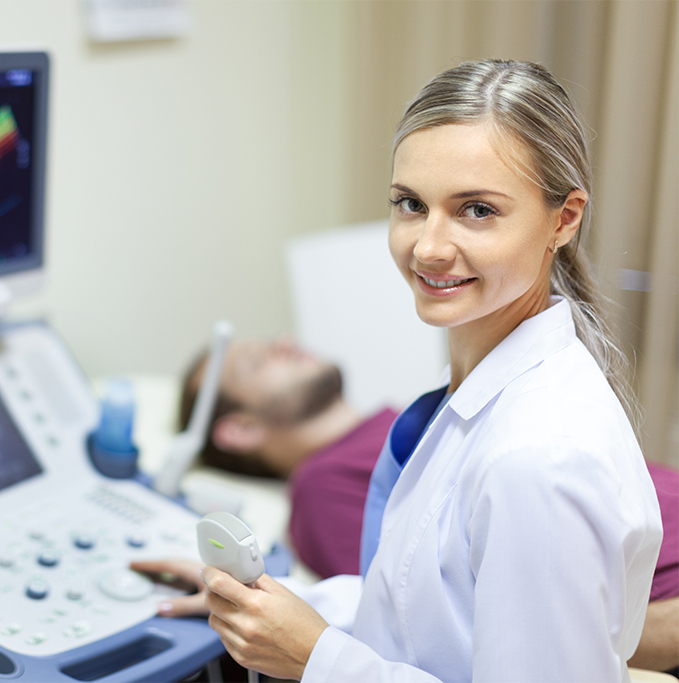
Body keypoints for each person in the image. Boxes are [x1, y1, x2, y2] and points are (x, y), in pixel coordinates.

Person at [134, 59, 663, 681]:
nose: (428, 248)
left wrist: (316, 656)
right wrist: (272, 602)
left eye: (477, 210)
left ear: (564, 219)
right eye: (411, 204)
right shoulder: (473, 396)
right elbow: (428, 606)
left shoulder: (537, 462)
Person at [156, 337, 679, 673]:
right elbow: (414, 626)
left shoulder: (427, 417)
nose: (283, 343)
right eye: (257, 361)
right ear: (241, 429)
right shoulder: (323, 485)